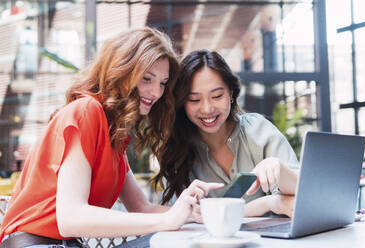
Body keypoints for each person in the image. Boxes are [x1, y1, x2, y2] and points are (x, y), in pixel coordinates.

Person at [0, 29, 223, 247]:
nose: (156, 92)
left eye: (163, 83)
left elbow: (142, 208)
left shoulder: (115, 134)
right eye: (147, 79)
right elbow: (71, 219)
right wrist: (168, 220)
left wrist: (192, 213)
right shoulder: (87, 110)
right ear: (121, 71)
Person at [154, 49, 299, 218]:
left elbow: (303, 195)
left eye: (217, 96)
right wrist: (268, 203)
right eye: (194, 100)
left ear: (230, 93)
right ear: (182, 103)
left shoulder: (258, 131)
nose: (207, 109)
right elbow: (182, 218)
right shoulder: (177, 152)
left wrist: (279, 169)